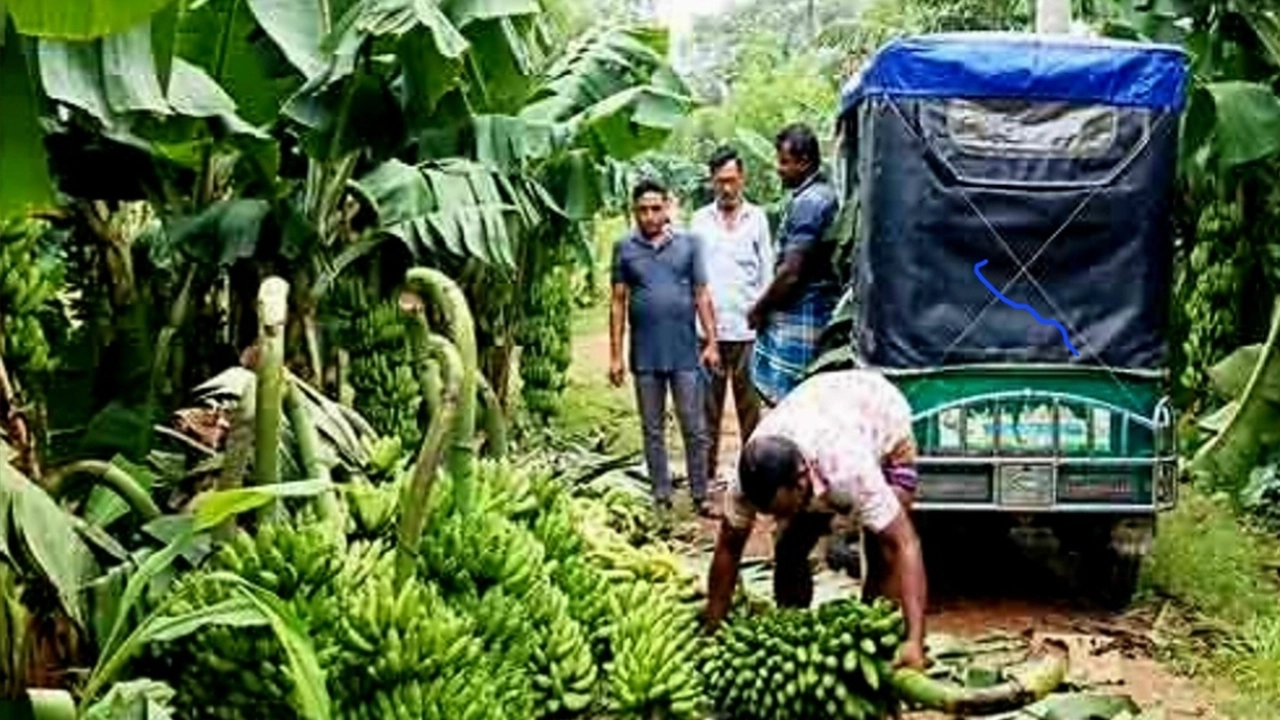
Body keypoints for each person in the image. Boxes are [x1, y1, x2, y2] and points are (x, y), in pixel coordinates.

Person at [703, 369, 928, 670]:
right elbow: (728, 549)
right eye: (771, 513)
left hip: (882, 418)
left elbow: (906, 544)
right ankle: (792, 627)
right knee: (788, 547)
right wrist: (713, 631)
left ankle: (878, 645)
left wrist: (915, 639)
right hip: (820, 407)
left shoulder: (849, 470)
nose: (776, 519)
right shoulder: (748, 481)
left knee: (880, 551)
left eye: (782, 510)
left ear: (801, 481)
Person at [610, 178, 721, 516]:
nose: (649, 216)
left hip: (685, 351)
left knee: (694, 425)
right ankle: (661, 494)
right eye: (642, 210)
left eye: (655, 208)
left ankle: (700, 494)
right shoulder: (624, 247)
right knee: (652, 427)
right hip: (645, 354)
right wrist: (615, 355)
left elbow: (702, 294)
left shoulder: (690, 244)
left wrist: (712, 342)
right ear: (634, 211)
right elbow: (617, 301)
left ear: (667, 208)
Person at [690, 146, 773, 485]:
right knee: (706, 412)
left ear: (742, 179)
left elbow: (768, 273)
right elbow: (693, 277)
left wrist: (764, 320)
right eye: (721, 181)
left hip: (747, 332)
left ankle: (756, 480)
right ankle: (706, 479)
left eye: (732, 181)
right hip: (707, 334)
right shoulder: (698, 221)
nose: (727, 188)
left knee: (750, 412)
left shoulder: (758, 219)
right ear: (712, 181)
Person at [749, 123, 843, 407]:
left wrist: (759, 308)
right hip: (815, 308)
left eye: (784, 162)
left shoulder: (810, 203)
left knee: (794, 401)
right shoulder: (819, 194)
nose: (779, 169)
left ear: (804, 162)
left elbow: (791, 273)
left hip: (805, 312)